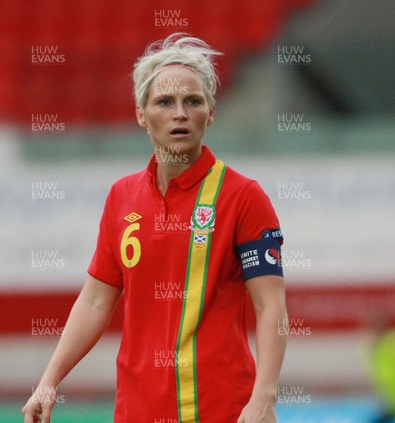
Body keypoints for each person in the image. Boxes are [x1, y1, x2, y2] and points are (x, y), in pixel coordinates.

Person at [22, 33, 288, 423]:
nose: (180, 113)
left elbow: (271, 307)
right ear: (141, 114)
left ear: (210, 113)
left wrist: (263, 398)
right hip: (136, 410)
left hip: (221, 408)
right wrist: (48, 381)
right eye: (165, 102)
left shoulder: (243, 196)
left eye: (192, 101)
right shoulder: (122, 196)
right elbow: (96, 300)